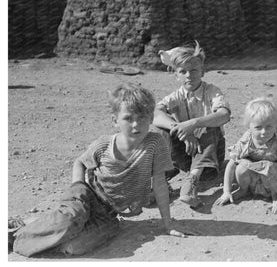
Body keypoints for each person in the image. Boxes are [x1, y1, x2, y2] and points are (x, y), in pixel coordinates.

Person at [9, 82, 192, 257]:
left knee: (75, 247)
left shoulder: (155, 144)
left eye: (143, 117)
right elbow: (79, 162)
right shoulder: (104, 144)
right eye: (128, 118)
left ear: (151, 118)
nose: (136, 125)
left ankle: (40, 225)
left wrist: (168, 225)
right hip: (87, 197)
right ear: (115, 120)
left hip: (109, 213)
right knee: (73, 216)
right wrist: (77, 186)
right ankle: (15, 236)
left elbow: (159, 183)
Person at [152, 41, 231, 208]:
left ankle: (192, 183)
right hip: (187, 152)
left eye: (194, 70)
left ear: (202, 71)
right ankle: (160, 180)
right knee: (162, 129)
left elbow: (224, 115)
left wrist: (193, 124)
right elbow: (156, 115)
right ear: (176, 75)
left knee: (210, 126)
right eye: (183, 71)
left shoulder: (212, 91)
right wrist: (182, 130)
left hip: (211, 154)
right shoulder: (175, 96)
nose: (189, 75)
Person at [214, 97, 277, 214]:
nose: (264, 132)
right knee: (241, 165)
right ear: (249, 126)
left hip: (272, 182)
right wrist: (226, 191)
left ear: (276, 125)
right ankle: (244, 190)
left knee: (270, 166)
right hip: (253, 181)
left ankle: (274, 196)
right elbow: (231, 164)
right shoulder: (247, 138)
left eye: (269, 127)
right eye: (258, 127)